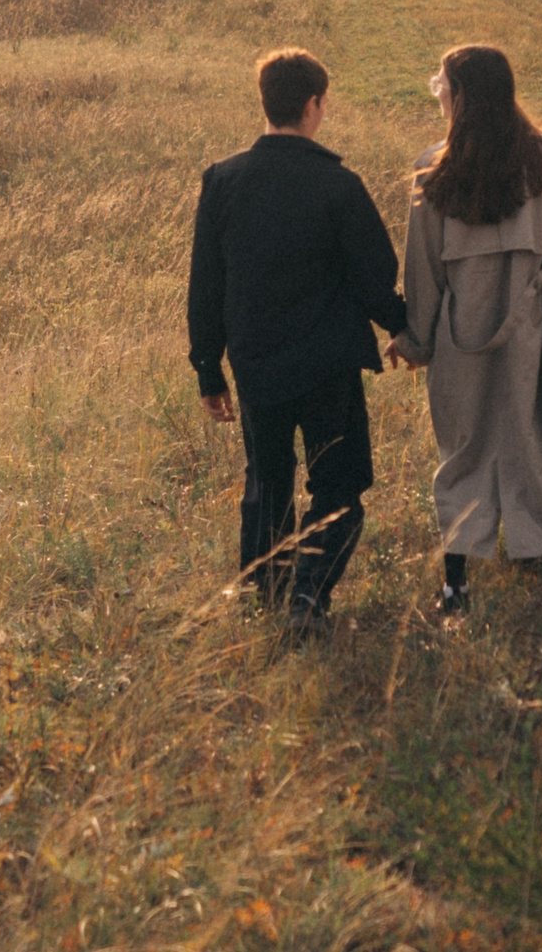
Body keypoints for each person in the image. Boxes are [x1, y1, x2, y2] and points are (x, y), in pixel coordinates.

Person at [389, 44, 542, 615]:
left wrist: (417, 340)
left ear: (465, 95)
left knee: (465, 454)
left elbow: (422, 269)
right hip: (537, 333)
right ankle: (537, 558)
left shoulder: (432, 166)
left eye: (442, 83)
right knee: (536, 442)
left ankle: (457, 586)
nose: (438, 92)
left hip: (460, 336)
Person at [188, 46, 409, 639]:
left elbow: (205, 285)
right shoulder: (338, 184)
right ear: (315, 105)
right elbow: (374, 278)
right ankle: (308, 594)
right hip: (328, 365)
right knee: (338, 484)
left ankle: (268, 594)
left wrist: (209, 369)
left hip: (256, 365)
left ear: (264, 102)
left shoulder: (223, 180)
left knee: (267, 479)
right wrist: (404, 327)